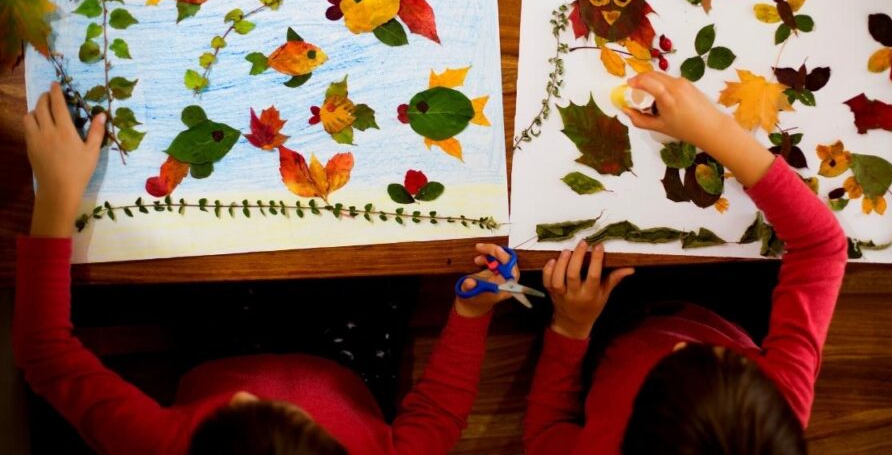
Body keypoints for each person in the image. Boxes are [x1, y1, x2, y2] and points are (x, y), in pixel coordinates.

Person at [16, 82, 515, 455]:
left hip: (220, 342)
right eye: (304, 420)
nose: (246, 396)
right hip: (352, 356)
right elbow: (439, 416)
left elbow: (44, 354)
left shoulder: (162, 445)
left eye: (235, 408)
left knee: (199, 230)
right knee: (377, 234)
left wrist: (56, 195)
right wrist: (471, 315)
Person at [523, 72, 847, 454]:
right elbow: (821, 246)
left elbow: (544, 435)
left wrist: (570, 328)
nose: (679, 347)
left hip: (601, 323)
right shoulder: (775, 407)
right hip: (720, 306)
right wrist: (713, 129)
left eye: (668, 368)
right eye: (729, 359)